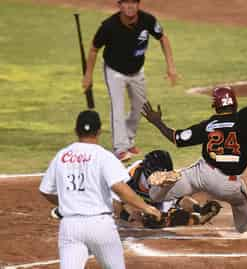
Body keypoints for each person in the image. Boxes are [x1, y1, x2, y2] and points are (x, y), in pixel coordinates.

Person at [141, 44, 247, 233]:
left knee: (156, 195)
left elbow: (177, 138)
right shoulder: (246, 117)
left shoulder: (209, 125)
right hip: (227, 184)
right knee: (241, 209)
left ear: (215, 106)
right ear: (235, 103)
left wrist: (157, 122)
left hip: (201, 173)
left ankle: (162, 186)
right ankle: (246, 222)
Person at [39, 110, 161, 269]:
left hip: (70, 226)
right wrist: (146, 207)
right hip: (100, 226)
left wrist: (66, 203)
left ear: (76, 130)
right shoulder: (104, 156)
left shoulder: (62, 156)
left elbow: (46, 190)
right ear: (99, 131)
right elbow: (119, 188)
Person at [82, 0, 178, 162]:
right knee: (117, 108)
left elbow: (163, 38)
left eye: (133, 2)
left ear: (138, 4)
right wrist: (88, 75)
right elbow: (93, 49)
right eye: (126, 3)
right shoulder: (109, 26)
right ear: (119, 5)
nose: (130, 6)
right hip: (114, 71)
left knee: (140, 107)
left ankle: (129, 139)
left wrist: (171, 66)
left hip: (136, 70)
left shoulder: (148, 20)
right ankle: (120, 148)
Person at [112, 150, 223, 228]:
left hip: (154, 202)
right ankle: (191, 219)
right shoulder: (128, 176)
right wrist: (130, 216)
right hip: (131, 202)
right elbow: (116, 202)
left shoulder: (168, 178)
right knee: (139, 216)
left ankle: (198, 214)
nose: (162, 177)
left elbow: (179, 199)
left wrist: (198, 208)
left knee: (166, 217)